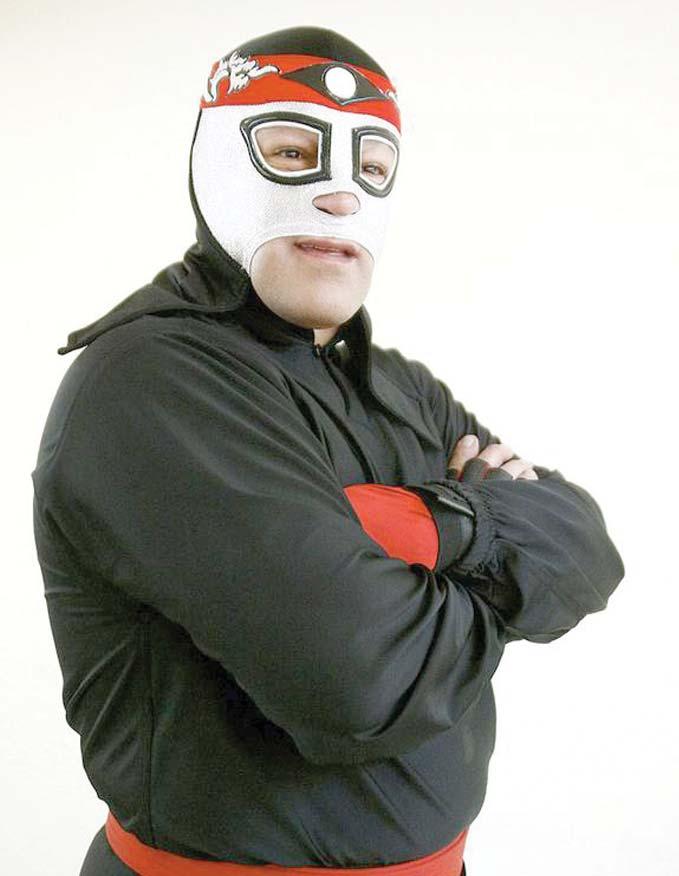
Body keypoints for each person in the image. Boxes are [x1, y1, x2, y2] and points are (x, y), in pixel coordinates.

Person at [30, 25, 625, 876]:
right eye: (291, 152)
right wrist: (490, 558)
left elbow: (585, 549)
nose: (340, 196)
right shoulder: (149, 381)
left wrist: (432, 527)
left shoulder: (395, 384)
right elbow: (360, 686)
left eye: (371, 167)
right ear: (213, 165)